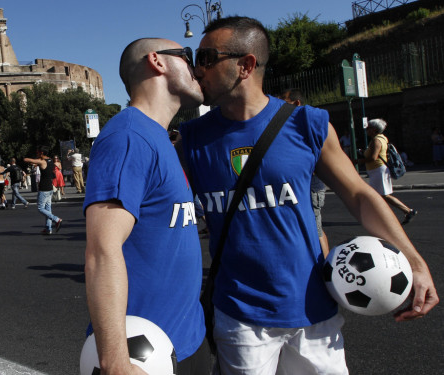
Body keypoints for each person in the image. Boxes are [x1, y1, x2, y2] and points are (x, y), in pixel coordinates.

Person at [178, 16, 438, 374]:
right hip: (240, 318)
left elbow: (360, 195)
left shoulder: (307, 124)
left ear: (246, 65)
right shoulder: (190, 139)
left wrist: (416, 262)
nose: (197, 68)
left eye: (207, 57)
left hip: (314, 312)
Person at [85, 37, 210, 374]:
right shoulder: (128, 137)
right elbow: (101, 250)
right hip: (144, 355)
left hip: (184, 341)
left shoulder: (159, 137)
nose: (197, 67)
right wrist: (115, 363)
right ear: (157, 61)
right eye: (186, 56)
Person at [280, 88, 330, 256]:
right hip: (304, 189)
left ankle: (325, 267)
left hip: (313, 187)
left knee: (316, 231)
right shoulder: (292, 128)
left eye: (284, 102)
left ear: (297, 103)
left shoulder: (308, 126)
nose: (280, 107)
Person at [354, 118, 418, 224]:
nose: (366, 130)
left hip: (378, 170)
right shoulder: (382, 138)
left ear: (374, 129)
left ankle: (406, 211)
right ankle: (406, 211)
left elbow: (373, 157)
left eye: (368, 128)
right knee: (380, 196)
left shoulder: (376, 140)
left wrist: (358, 161)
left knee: (382, 195)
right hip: (377, 170)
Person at [25, 146, 63, 235]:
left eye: (38, 153)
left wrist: (35, 159)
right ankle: (48, 228)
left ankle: (57, 219)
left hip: (44, 188)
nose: (37, 154)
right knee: (48, 209)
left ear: (42, 153)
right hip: (49, 187)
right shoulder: (50, 160)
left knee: (40, 208)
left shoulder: (42, 161)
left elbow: (26, 159)